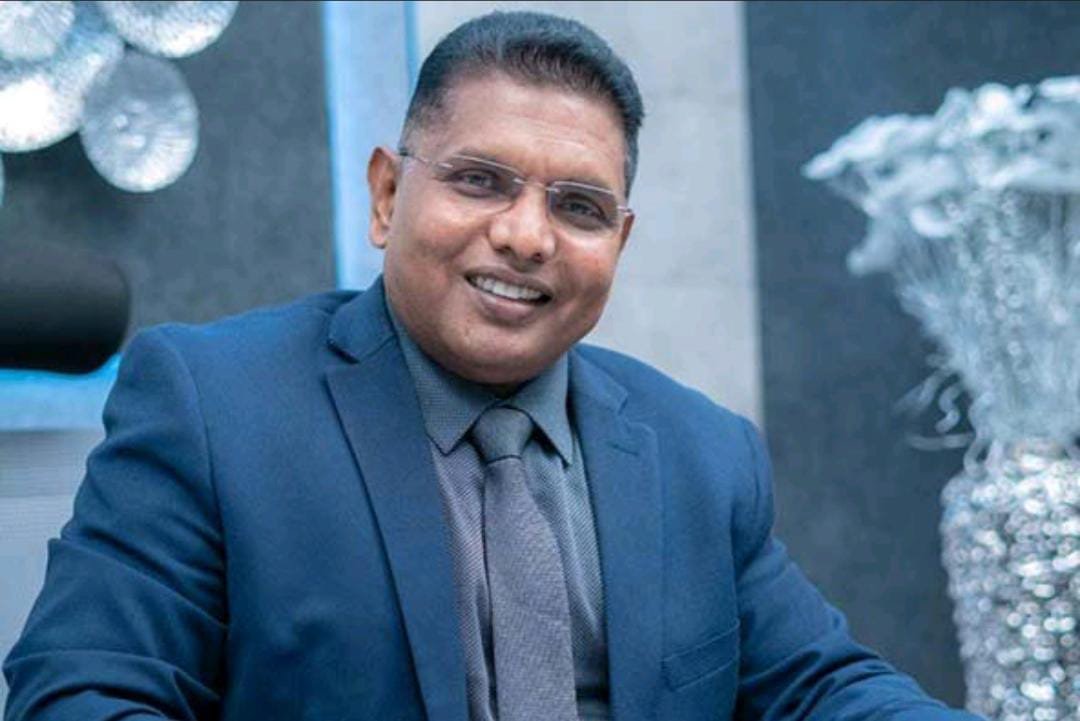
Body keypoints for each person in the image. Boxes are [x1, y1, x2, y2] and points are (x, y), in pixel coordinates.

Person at [3, 11, 981, 721]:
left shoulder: (701, 450)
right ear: (387, 196)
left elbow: (818, 685)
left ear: (618, 242)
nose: (526, 236)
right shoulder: (214, 405)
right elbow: (82, 692)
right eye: (480, 180)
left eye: (578, 207)